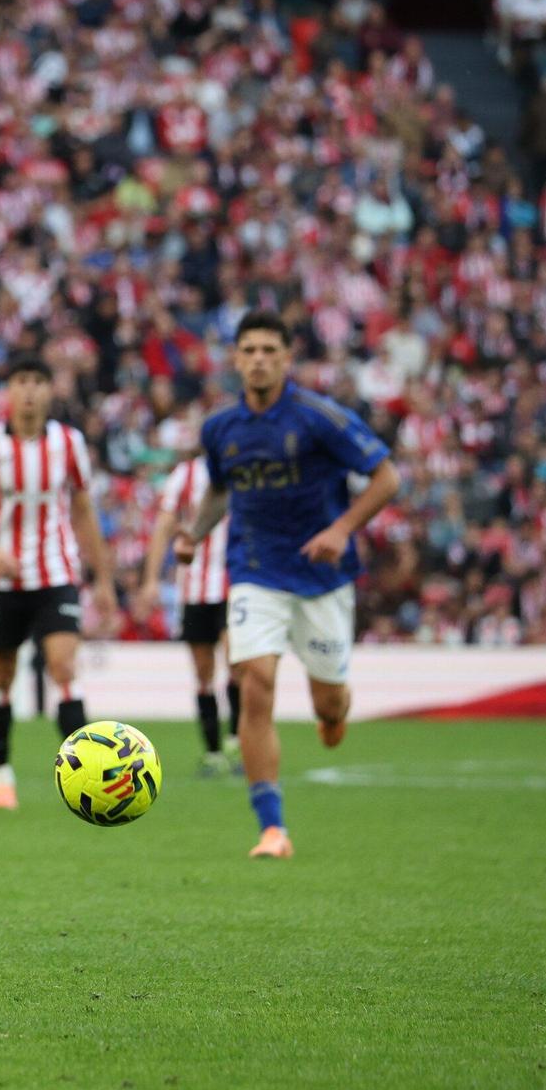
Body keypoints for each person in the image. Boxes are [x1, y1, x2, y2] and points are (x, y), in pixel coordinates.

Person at [176, 310, 400, 859]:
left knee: (327, 703)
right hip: (255, 570)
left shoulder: (319, 417)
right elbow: (221, 491)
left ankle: (335, 712)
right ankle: (271, 828)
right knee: (254, 682)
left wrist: (342, 529)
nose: (257, 359)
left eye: (268, 350)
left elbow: (387, 476)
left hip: (322, 579)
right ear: (235, 358)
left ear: (286, 358)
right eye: (248, 349)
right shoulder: (220, 428)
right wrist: (194, 534)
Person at [0, 355, 117, 810]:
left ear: (50, 390)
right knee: (1, 677)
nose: (28, 390)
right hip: (1, 578)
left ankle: (88, 776)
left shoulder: (69, 444)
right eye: (20, 382)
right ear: (7, 391)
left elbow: (84, 511)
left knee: (64, 668)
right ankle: (2, 773)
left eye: (37, 382)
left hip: (57, 573)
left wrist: (103, 578)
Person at [138, 452, 241, 776]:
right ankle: (212, 751)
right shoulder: (184, 475)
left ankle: (236, 742)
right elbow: (164, 527)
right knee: (203, 672)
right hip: (194, 587)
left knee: (238, 664)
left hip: (234, 584)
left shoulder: (241, 470)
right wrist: (152, 579)